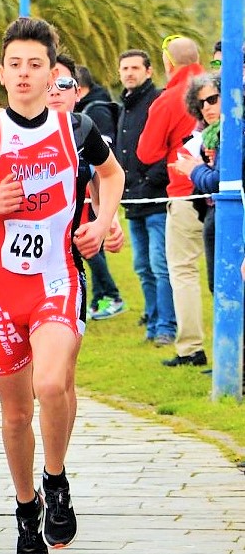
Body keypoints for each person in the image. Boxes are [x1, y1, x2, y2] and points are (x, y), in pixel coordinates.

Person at [0, 16, 124, 554]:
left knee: (51, 381)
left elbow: (112, 178)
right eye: (14, 64)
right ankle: (25, 506)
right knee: (15, 415)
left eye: (34, 65)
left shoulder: (78, 129)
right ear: (1, 73)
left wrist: (101, 222)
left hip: (58, 281)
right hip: (0, 292)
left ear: (51, 73)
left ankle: (56, 478)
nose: (23, 73)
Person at [137, 36, 206, 367]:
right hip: (227, 193)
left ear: (167, 63)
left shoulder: (168, 100)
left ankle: (191, 347)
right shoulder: (219, 87)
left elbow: (145, 152)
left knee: (183, 271)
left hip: (186, 191)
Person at [56, 57, 125, 321]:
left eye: (62, 83)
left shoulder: (84, 128)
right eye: (47, 82)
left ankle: (108, 295)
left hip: (68, 263)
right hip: (13, 264)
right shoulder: (4, 129)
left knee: (62, 354)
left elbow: (105, 173)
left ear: (77, 89)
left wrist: (108, 220)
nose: (54, 90)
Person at [115, 49, 174, 345]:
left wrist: (153, 179)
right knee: (142, 265)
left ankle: (166, 326)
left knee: (160, 264)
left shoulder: (157, 101)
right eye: (124, 68)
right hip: (133, 201)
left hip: (156, 198)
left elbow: (171, 145)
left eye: (135, 67)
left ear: (149, 71)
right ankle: (152, 323)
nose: (129, 73)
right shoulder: (124, 105)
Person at [172, 72, 221, 292]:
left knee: (225, 288)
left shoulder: (231, 132)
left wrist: (194, 169)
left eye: (212, 99)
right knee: (217, 287)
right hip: (214, 212)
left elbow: (219, 182)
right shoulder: (212, 136)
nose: (207, 108)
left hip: (229, 214)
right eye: (201, 103)